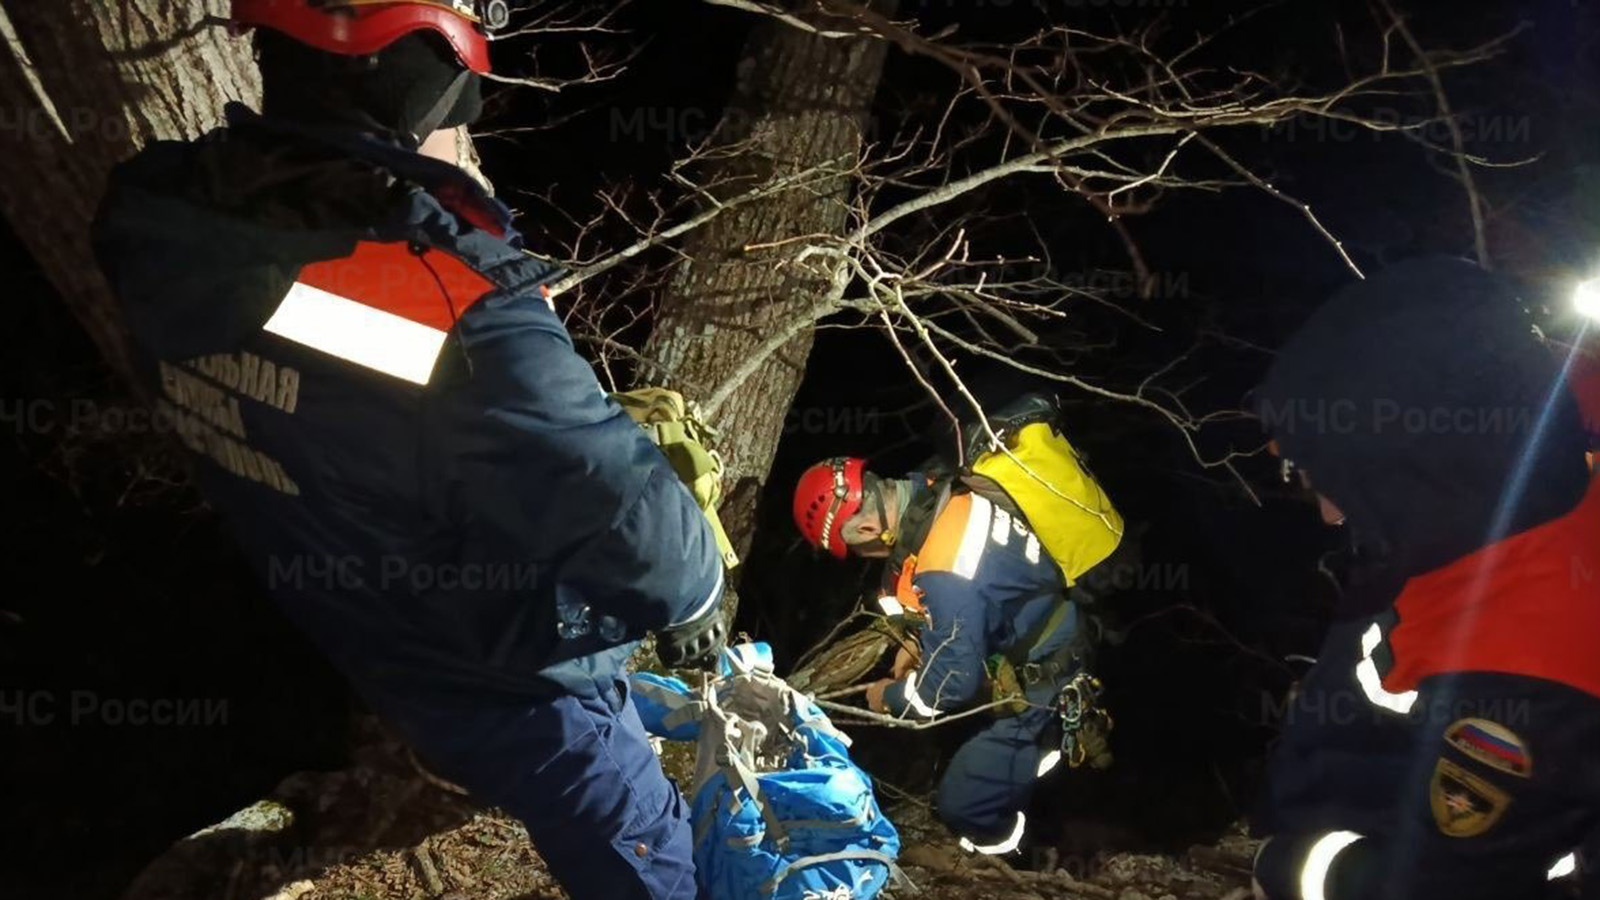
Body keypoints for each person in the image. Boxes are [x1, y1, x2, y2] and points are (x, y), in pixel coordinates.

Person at [91, 4, 726, 899]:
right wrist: (697, 589)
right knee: (626, 814)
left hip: (338, 600)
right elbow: (635, 528)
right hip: (477, 651)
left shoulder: (155, 210)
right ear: (421, 57)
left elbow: (326, 345)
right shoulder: (437, 291)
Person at [1249, 257, 1600, 900]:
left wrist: (1299, 868)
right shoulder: (1517, 444)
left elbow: (1454, 879)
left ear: (1418, 466)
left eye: (1331, 478)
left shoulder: (1532, 660)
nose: (1330, 513)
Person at [791, 409, 1125, 856]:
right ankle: (1037, 769)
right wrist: (914, 640)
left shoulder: (944, 568)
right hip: (1044, 636)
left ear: (869, 527)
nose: (864, 555)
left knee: (962, 803)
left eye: (857, 547)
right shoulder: (933, 485)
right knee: (969, 743)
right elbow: (949, 589)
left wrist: (888, 697)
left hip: (1048, 674)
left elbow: (953, 681)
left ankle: (1015, 857)